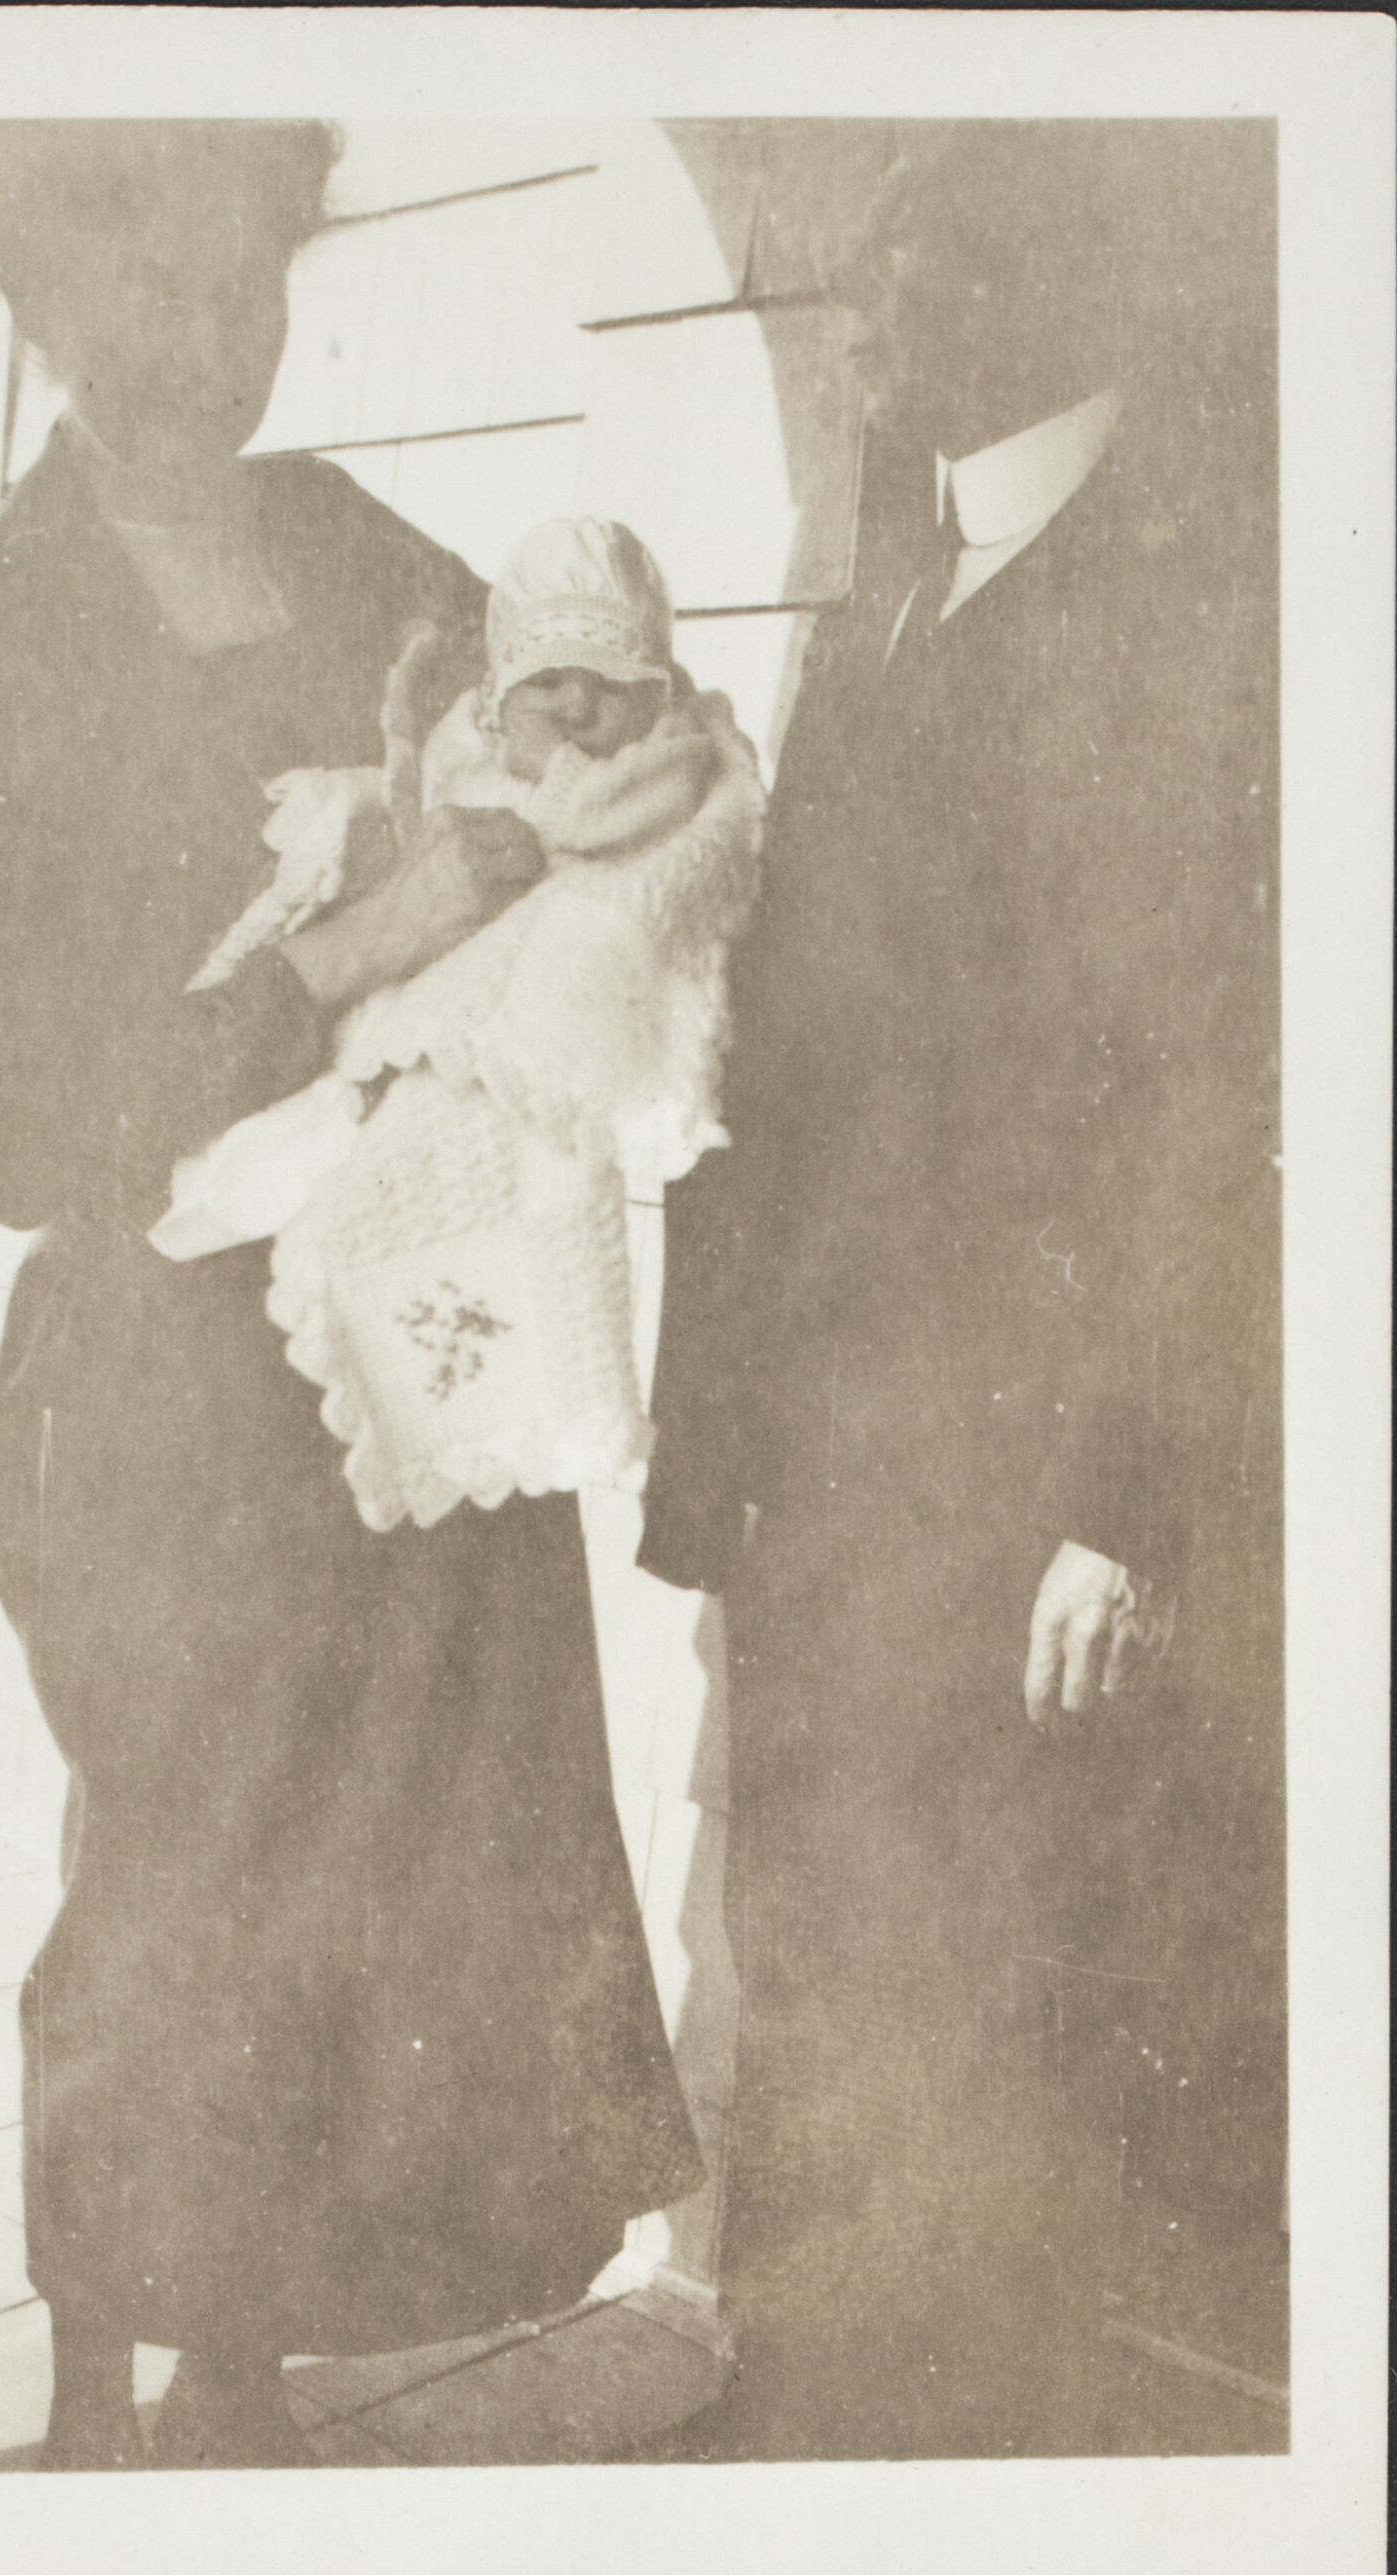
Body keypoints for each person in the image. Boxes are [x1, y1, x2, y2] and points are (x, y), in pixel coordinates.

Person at [0, 121, 701, 2472]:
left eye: (239, 290)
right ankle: (80, 2397)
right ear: (44, 298)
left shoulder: (366, 555)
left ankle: (235, 2369)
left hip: (397, 1335)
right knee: (169, 1883)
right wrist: (361, 939)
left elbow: (578, 779)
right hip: (155, 1386)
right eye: (145, 295)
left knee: (354, 1902)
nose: (198, 347)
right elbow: (31, 1122)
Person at [638, 122, 1284, 2456]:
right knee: (810, 1920)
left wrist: (1119, 1498)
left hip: (1007, 1475)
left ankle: (941, 2465)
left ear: (1027, 276)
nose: (867, 319)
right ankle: (796, 2387)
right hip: (817, 1448)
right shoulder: (903, 578)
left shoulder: (1171, 604)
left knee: (985, 1973)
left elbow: (1199, 1099)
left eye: (903, 271)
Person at [150, 515, 765, 1533]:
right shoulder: (465, 762)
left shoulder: (659, 783)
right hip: (392, 1022)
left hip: (507, 1054)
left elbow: (646, 890)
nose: (576, 705)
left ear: (655, 699)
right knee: (318, 1143)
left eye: (609, 685)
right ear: (497, 697)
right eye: (549, 679)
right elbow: (410, 841)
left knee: (451, 1166)